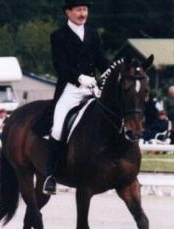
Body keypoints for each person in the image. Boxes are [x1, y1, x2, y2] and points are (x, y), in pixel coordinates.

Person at [43, 0, 109, 195]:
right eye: (79, 9)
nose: (83, 13)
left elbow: (101, 60)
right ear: (68, 12)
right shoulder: (58, 36)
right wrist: (79, 77)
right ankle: (50, 175)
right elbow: (60, 66)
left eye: (85, 9)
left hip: (92, 88)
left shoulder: (93, 34)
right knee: (57, 128)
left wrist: (112, 72)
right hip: (70, 89)